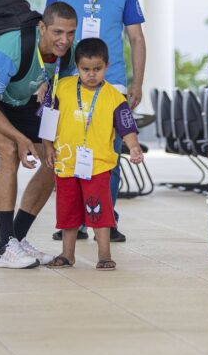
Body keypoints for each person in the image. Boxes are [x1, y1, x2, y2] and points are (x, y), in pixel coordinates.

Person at [0, 2, 77, 269]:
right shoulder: (11, 49)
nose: (64, 40)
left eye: (70, 33)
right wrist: (22, 140)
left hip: (17, 99)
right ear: (42, 28)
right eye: (57, 32)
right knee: (9, 150)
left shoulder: (67, 55)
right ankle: (3, 249)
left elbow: (56, 100)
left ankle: (17, 238)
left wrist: (47, 142)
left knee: (51, 159)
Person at [46, 0, 147, 243]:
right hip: (67, 83)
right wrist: (45, 81)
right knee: (68, 153)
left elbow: (136, 38)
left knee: (109, 155)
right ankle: (72, 222)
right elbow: (48, 37)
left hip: (111, 83)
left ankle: (106, 219)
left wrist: (137, 82)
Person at [43, 38, 143, 270]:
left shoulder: (115, 98)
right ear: (77, 66)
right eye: (85, 69)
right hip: (66, 163)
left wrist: (135, 147)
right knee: (67, 212)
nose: (91, 75)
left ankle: (104, 255)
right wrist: (47, 145)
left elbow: (126, 127)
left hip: (97, 166)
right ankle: (67, 254)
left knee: (99, 210)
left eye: (97, 69)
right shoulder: (62, 88)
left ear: (107, 66)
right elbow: (49, 118)